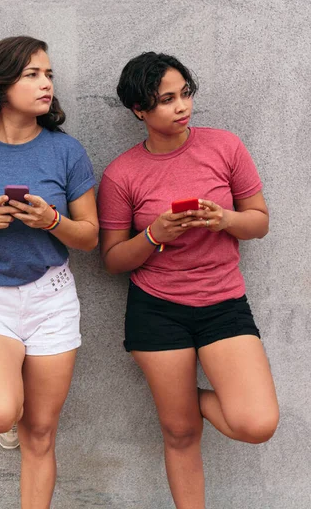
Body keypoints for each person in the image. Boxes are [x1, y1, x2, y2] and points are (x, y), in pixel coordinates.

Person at [97, 52, 279, 509]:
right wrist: (155, 235)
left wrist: (225, 220)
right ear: (139, 110)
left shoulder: (225, 147)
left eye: (186, 94)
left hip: (223, 304)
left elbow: (259, 222)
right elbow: (114, 259)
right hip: (157, 310)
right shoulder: (122, 174)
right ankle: (179, 408)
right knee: (179, 433)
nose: (182, 107)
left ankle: (184, 397)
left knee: (256, 423)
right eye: (166, 100)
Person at [0, 36, 98, 509]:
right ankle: (8, 420)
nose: (45, 83)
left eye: (48, 75)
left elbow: (89, 236)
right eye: (32, 74)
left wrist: (53, 221)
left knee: (42, 433)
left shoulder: (66, 151)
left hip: (51, 297)